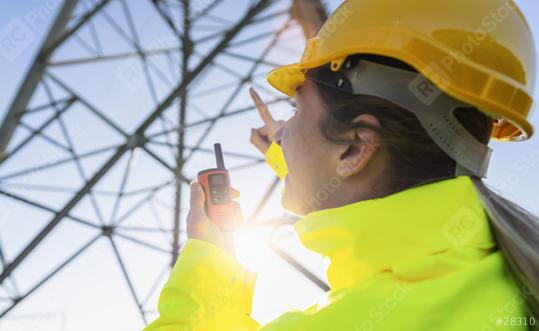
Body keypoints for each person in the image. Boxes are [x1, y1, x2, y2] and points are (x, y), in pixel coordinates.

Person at [144, 0, 539, 330]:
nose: (282, 133)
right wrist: (296, 149)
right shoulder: (503, 268)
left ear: (355, 148)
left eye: (296, 108)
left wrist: (210, 261)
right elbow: (376, 191)